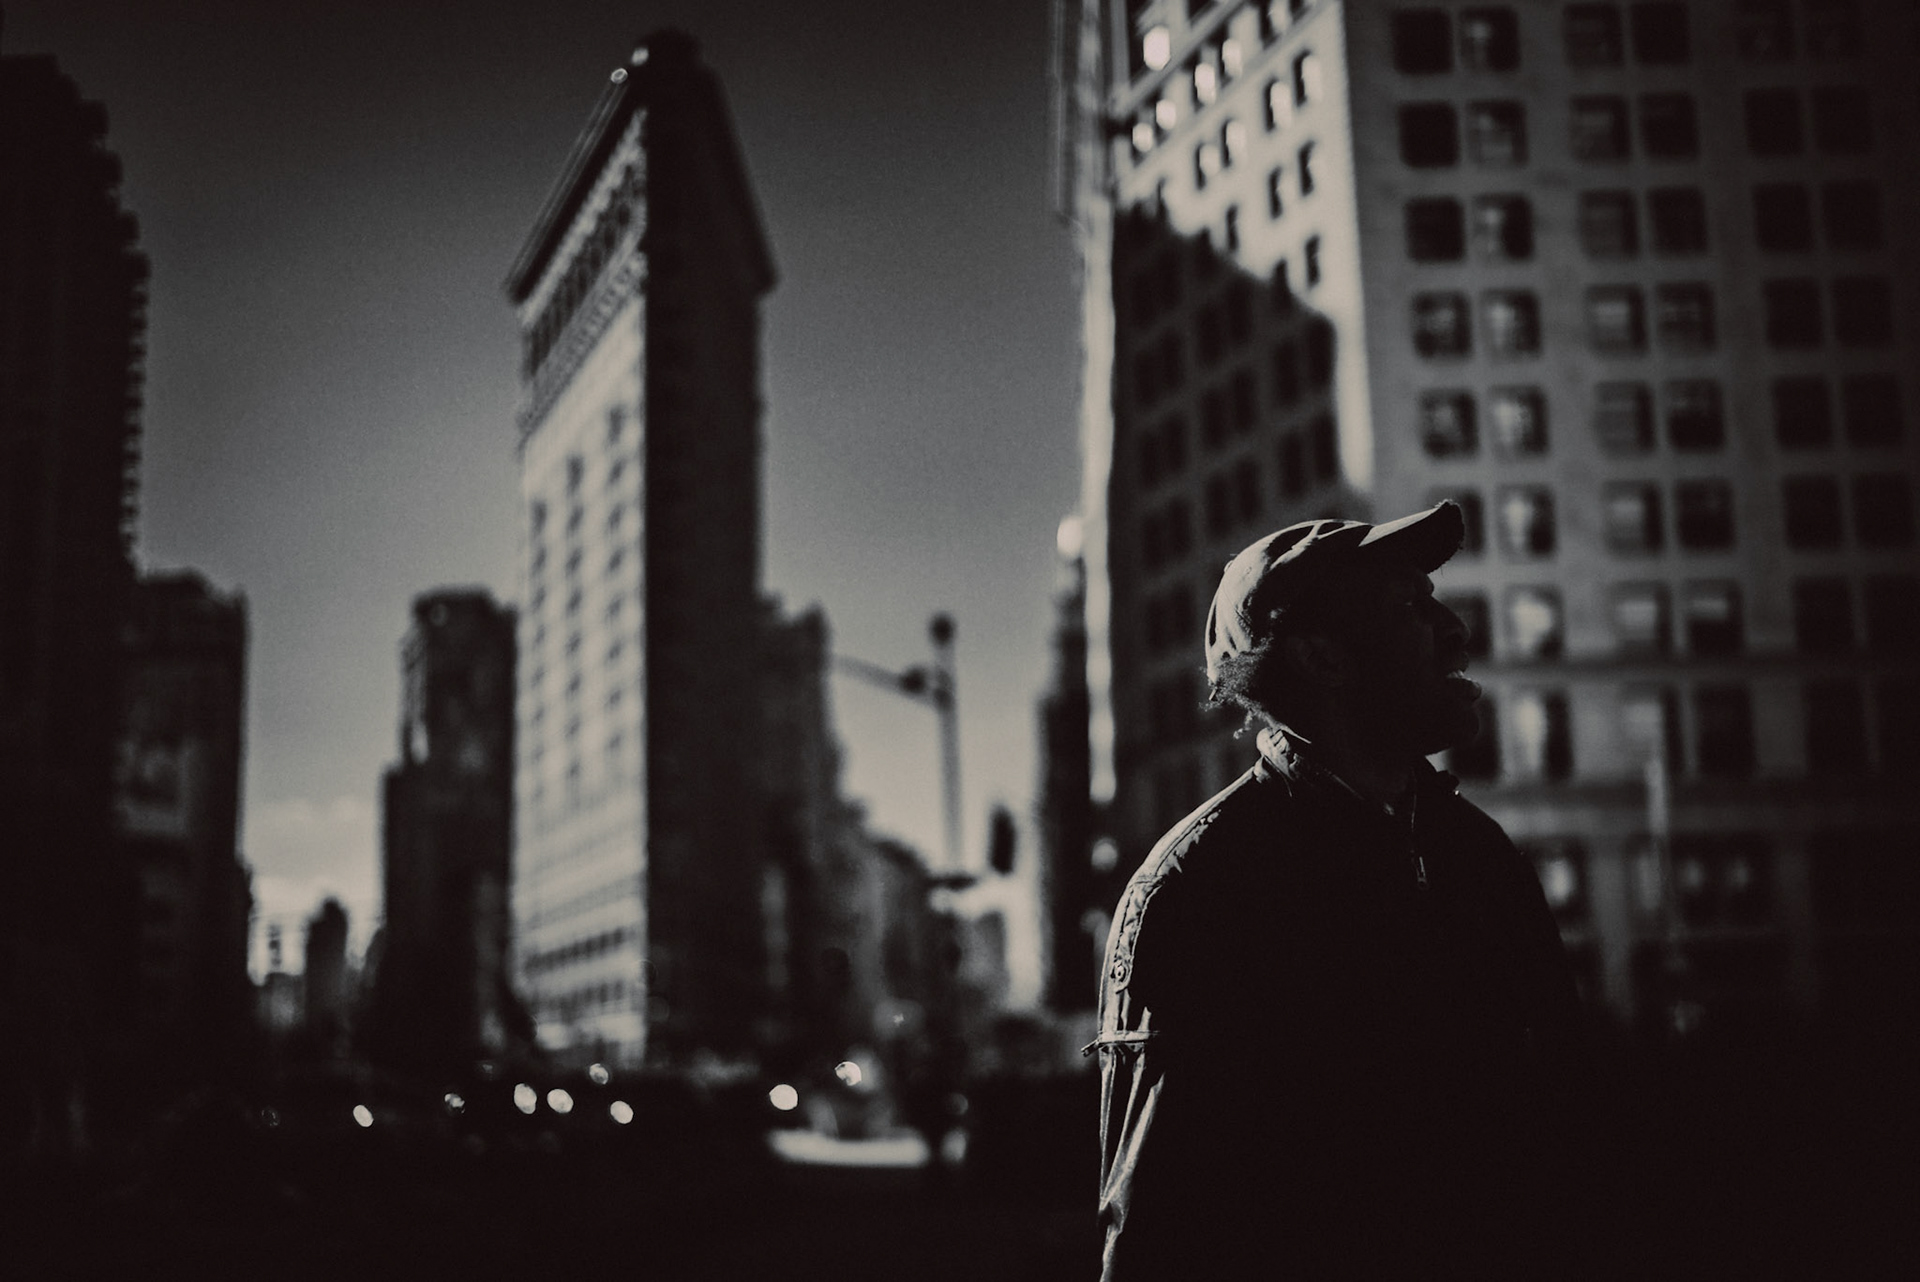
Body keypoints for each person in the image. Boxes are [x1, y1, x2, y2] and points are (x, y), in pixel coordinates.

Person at [1092, 502, 1589, 1279]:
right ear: (1324, 658)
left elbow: (1568, 1132)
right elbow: (1159, 1228)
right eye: (1409, 608)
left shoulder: (1478, 856)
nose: (1455, 632)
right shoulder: (1201, 887)